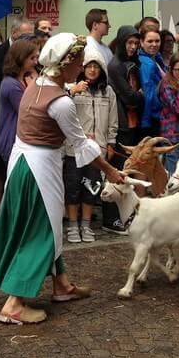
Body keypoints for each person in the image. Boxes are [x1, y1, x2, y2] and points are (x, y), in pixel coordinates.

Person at [0, 33, 123, 325]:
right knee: (41, 230)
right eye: (79, 60)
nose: (84, 65)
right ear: (67, 62)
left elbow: (58, 108)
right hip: (39, 167)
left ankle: (61, 285)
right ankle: (14, 304)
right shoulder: (61, 102)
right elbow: (81, 145)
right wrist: (110, 171)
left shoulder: (37, 82)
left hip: (23, 163)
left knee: (41, 226)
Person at [64, 54, 117, 243]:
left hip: (97, 150)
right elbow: (61, 110)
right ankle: (72, 225)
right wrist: (73, 91)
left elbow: (113, 120)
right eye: (88, 66)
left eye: (96, 67)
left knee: (92, 187)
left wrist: (111, 142)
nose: (92, 70)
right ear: (82, 68)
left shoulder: (108, 91)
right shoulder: (72, 88)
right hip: (74, 148)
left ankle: (85, 225)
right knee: (72, 188)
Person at [104, 25, 143, 234]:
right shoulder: (115, 65)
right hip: (120, 122)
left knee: (125, 171)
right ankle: (110, 219)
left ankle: (123, 216)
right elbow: (129, 95)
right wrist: (140, 94)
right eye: (129, 42)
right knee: (116, 171)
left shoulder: (133, 63)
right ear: (121, 42)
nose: (133, 47)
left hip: (132, 122)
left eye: (136, 43)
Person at [0, 38, 38, 213]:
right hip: (10, 139)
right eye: (32, 58)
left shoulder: (21, 80)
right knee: (11, 182)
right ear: (21, 58)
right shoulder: (11, 85)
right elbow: (27, 111)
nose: (35, 62)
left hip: (15, 138)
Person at [0, 19, 33, 132]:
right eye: (25, 35)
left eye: (31, 35)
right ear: (13, 33)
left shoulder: (30, 54)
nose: (28, 39)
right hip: (3, 114)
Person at [158, 52, 179, 173]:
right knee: (174, 175)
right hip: (172, 137)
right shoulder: (167, 85)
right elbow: (177, 109)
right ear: (171, 69)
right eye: (178, 70)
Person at [138, 28, 165, 137]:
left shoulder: (157, 58)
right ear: (141, 42)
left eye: (157, 41)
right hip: (153, 117)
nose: (154, 44)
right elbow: (148, 93)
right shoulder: (147, 63)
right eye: (150, 41)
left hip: (157, 114)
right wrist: (146, 121)